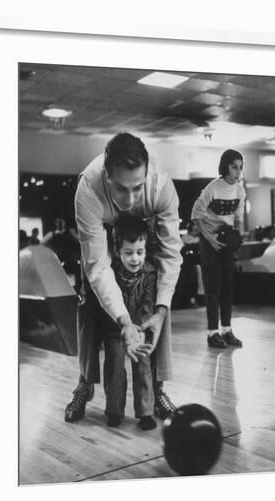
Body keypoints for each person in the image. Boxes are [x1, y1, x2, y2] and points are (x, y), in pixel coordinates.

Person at [64, 132, 183, 422]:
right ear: (106, 176)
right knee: (90, 301)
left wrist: (160, 310)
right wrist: (125, 322)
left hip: (140, 239)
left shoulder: (162, 187)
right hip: (106, 244)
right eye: (121, 189)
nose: (129, 200)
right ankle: (84, 384)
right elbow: (98, 268)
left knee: (158, 303)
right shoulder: (88, 190)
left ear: (147, 175)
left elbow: (170, 254)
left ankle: (158, 390)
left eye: (137, 188)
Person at [101, 213, 158, 431]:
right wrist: (122, 327)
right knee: (115, 367)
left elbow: (148, 303)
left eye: (140, 253)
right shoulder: (110, 272)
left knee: (143, 365)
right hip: (115, 329)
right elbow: (107, 301)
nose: (135, 259)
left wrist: (140, 329)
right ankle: (114, 411)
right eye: (129, 253)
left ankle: (145, 412)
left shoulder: (150, 273)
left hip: (140, 329)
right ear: (117, 252)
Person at [191, 149, 246, 349]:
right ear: (225, 167)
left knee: (228, 287)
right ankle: (212, 333)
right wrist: (210, 240)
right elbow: (196, 215)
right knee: (212, 287)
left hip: (226, 240)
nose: (238, 172)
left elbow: (238, 219)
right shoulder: (212, 188)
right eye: (234, 167)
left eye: (240, 167)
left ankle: (227, 330)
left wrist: (237, 241)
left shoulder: (240, 191)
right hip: (209, 240)